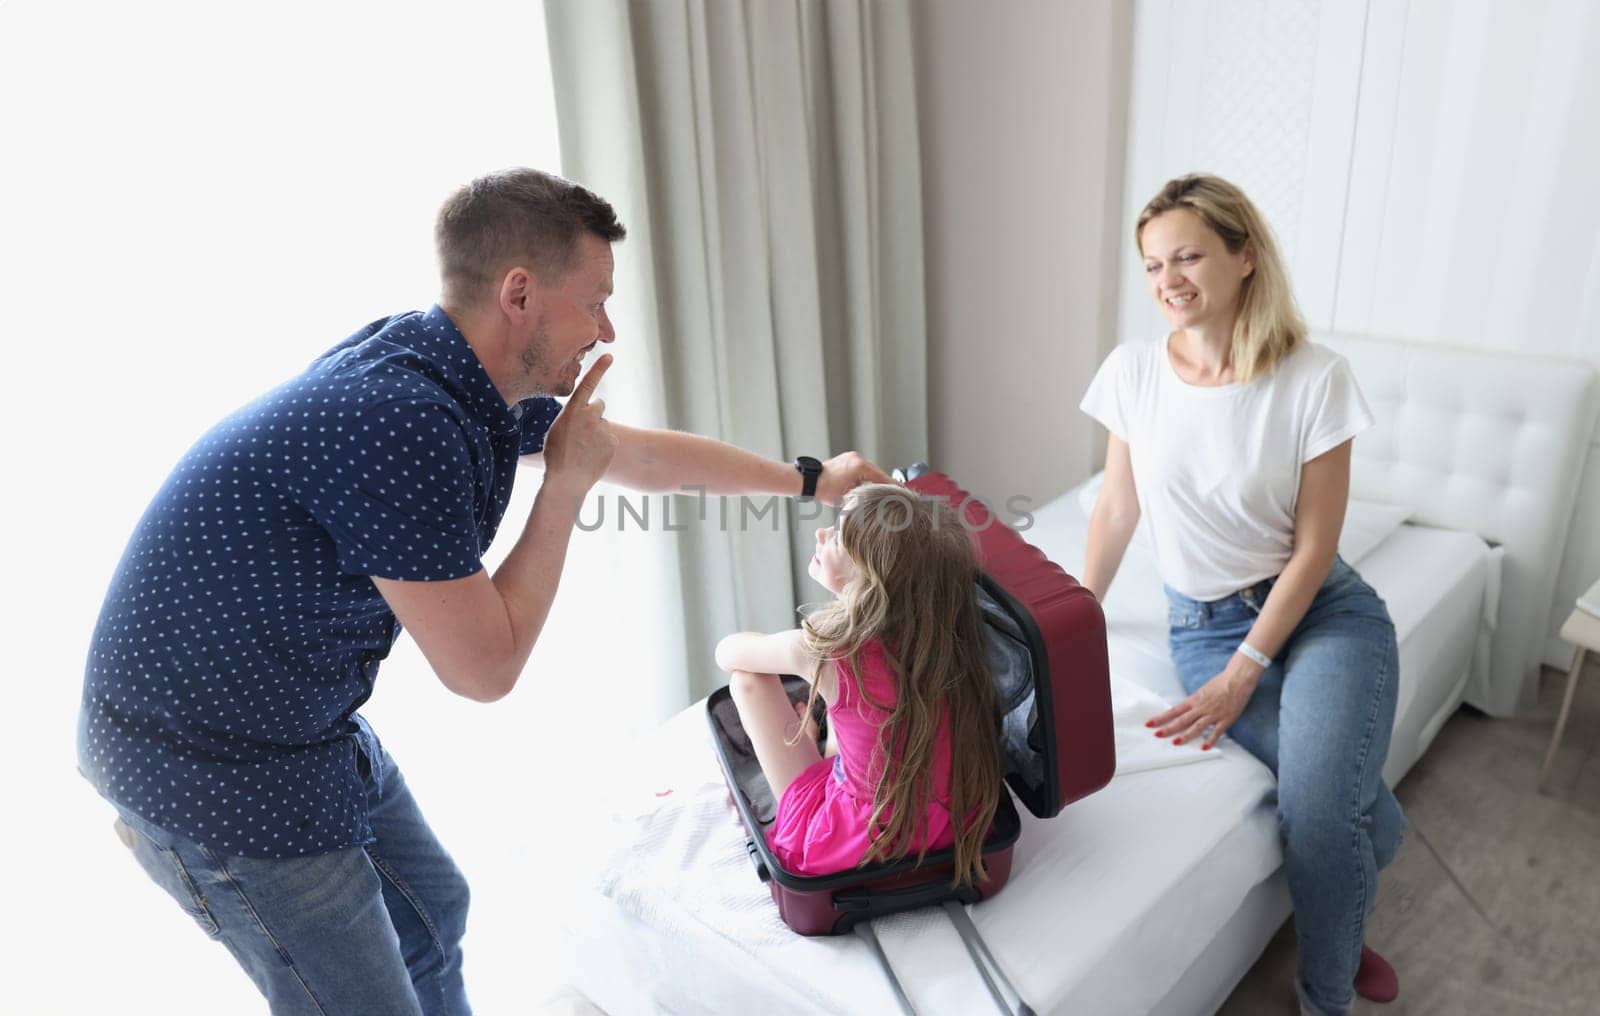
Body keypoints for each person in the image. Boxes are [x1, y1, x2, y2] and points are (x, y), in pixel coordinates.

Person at [77, 168, 889, 1015]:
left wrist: (811, 480)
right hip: (206, 768)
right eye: (596, 300)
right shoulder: (398, 420)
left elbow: (637, 456)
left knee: (434, 918)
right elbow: (484, 670)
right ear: (519, 293)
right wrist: (564, 490)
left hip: (289, 721)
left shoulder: (452, 369)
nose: (607, 328)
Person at [1079, 174, 1405, 1015]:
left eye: (1187, 255)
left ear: (1244, 255)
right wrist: (1074, 618)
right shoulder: (1133, 372)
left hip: (1323, 613)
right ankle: (1348, 912)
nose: (1167, 281)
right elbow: (1118, 507)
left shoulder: (1314, 378)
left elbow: (1315, 547)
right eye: (1152, 265)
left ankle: (1325, 995)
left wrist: (1247, 669)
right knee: (1363, 816)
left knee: (1321, 816)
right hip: (1202, 627)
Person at [714, 483, 1002, 883]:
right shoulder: (944, 636)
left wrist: (793, 649)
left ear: (868, 578)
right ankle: (825, 752)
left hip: (856, 843)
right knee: (859, 709)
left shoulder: (827, 647)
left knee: (746, 680)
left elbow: (727, 653)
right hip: (950, 823)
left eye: (836, 537)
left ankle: (812, 762)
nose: (821, 535)